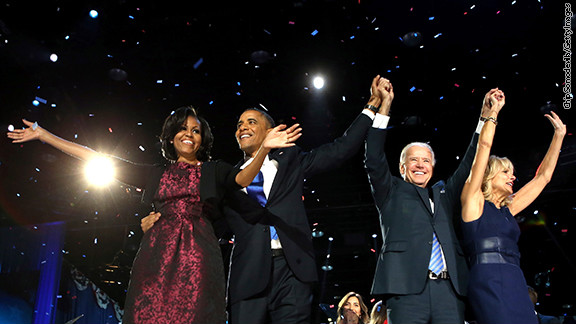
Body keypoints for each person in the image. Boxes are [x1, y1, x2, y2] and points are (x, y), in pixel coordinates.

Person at [7, 106, 301, 324]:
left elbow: (242, 178)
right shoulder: (155, 173)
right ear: (171, 135)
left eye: (196, 130)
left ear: (203, 139)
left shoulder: (214, 170)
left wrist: (263, 149)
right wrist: (45, 136)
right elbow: (100, 158)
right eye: (183, 128)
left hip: (199, 256)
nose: (189, 134)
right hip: (155, 257)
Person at [143, 75, 390, 323]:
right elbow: (201, 218)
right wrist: (162, 223)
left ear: (270, 131)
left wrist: (371, 107)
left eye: (251, 122)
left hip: (293, 271)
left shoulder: (292, 160)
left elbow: (341, 149)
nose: (243, 127)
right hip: (247, 276)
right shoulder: (228, 177)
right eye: (239, 124)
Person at [364, 80, 495, 323]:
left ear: (433, 167)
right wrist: (384, 107)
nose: (420, 165)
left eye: (426, 161)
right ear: (402, 168)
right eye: (413, 161)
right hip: (406, 291)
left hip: (449, 291)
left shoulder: (443, 193)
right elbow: (373, 157)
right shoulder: (390, 190)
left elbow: (470, 163)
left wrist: (485, 118)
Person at [460, 88, 566, 324]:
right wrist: (493, 114)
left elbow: (543, 177)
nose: (512, 177)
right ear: (488, 177)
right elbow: (484, 149)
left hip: (515, 279)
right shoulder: (473, 202)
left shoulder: (509, 209)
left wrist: (559, 135)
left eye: (513, 173)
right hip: (487, 281)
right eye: (505, 172)